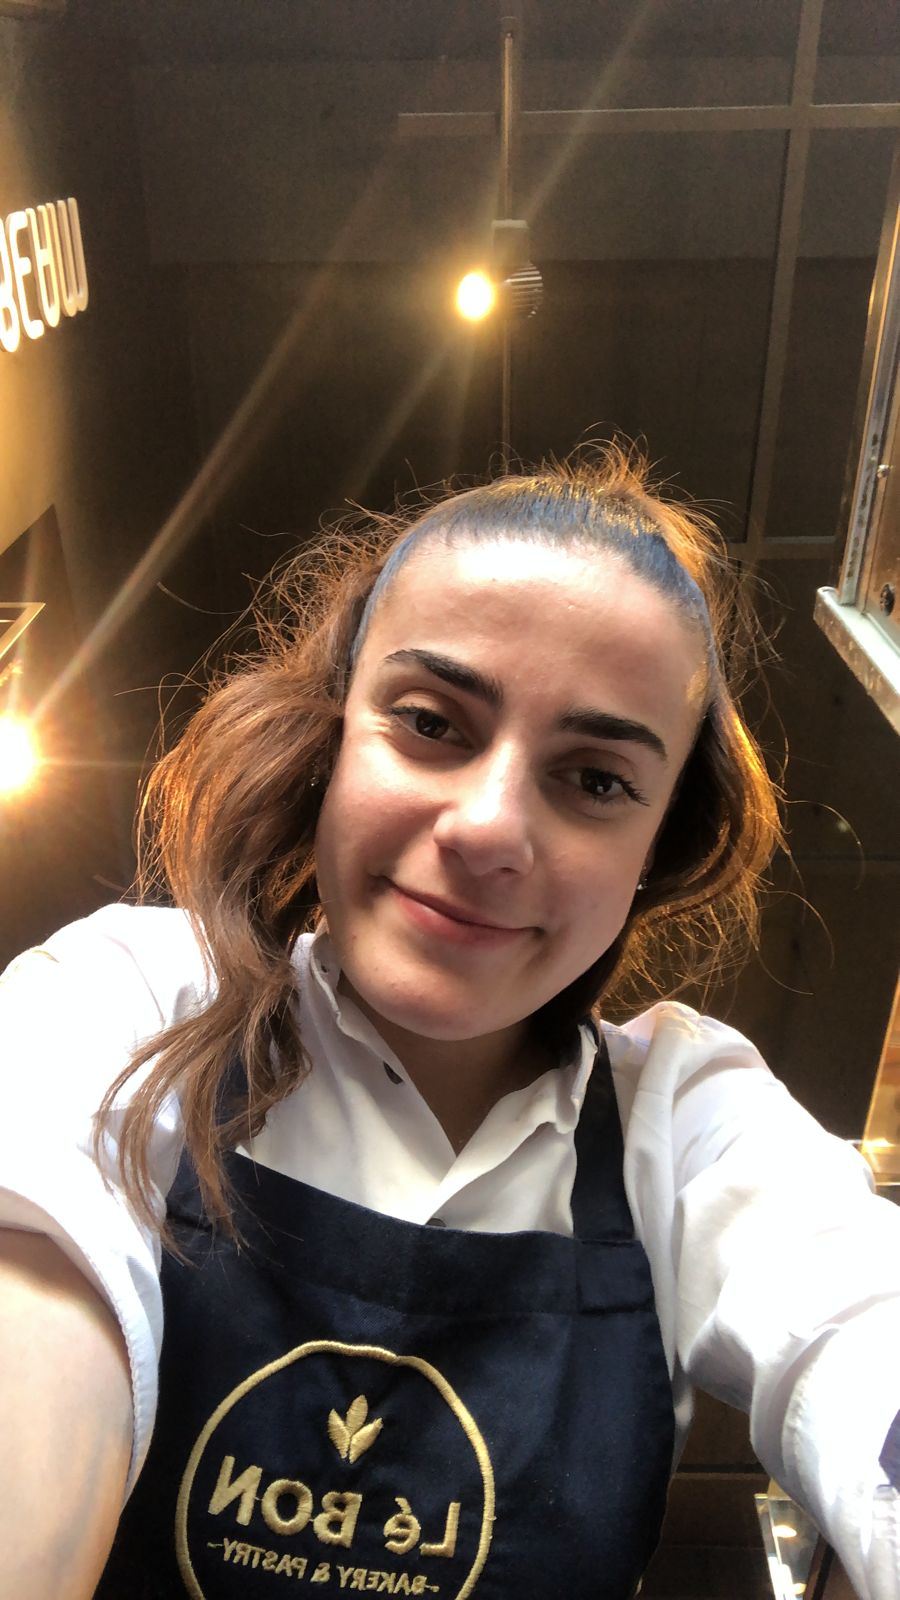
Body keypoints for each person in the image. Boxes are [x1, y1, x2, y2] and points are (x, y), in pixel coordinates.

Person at [1, 449, 898, 1600]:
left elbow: (864, 1335)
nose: (488, 828)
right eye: (431, 721)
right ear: (332, 737)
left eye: (596, 781)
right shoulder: (132, 997)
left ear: (655, 849)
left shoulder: (687, 1123)